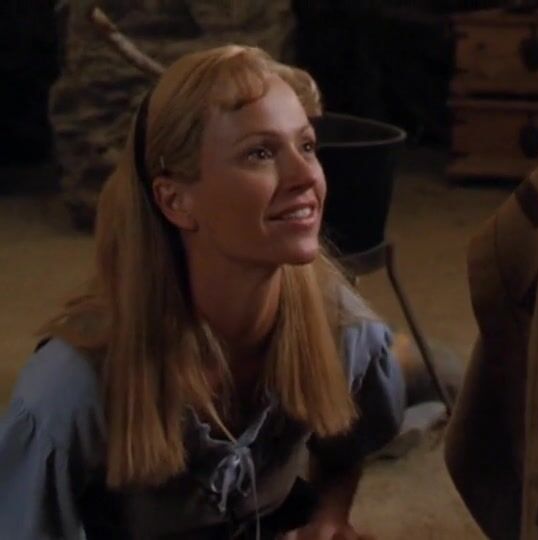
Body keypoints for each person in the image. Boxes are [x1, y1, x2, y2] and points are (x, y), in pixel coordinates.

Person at [0, 44, 405, 539]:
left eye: (306, 146)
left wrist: (329, 516)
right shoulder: (72, 389)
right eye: (260, 153)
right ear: (175, 200)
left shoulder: (342, 329)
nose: (306, 177)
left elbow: (345, 450)